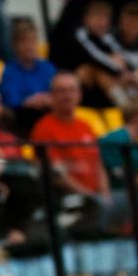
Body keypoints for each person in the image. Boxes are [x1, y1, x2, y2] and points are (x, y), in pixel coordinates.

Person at [30, 73, 110, 201]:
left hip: (97, 196)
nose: (68, 96)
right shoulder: (43, 128)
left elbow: (98, 164)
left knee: (136, 201)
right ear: (52, 95)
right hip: (69, 198)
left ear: (80, 95)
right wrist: (90, 197)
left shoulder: (85, 126)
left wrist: (105, 193)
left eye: (72, 90)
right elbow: (56, 175)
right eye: (62, 91)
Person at [0, 19, 56, 129]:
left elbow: (59, 94)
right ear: (14, 45)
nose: (29, 46)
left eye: (33, 41)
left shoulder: (48, 68)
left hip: (49, 116)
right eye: (24, 41)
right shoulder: (9, 71)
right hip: (22, 120)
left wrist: (49, 99)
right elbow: (12, 102)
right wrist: (30, 101)